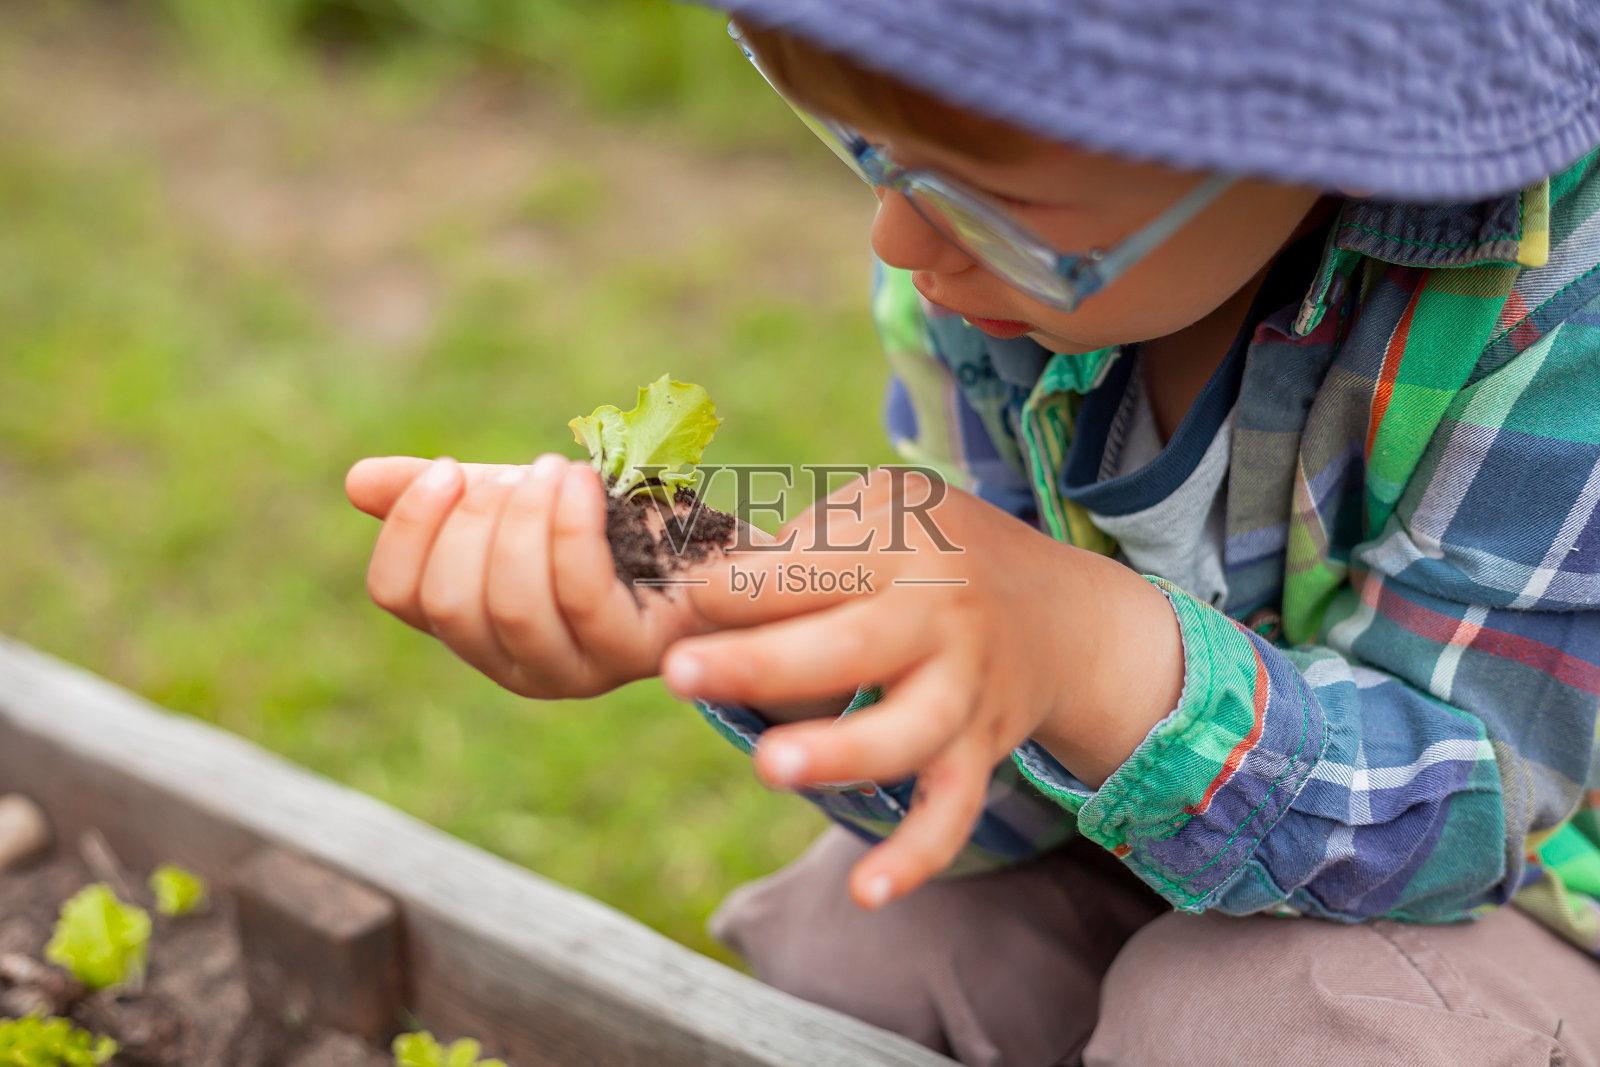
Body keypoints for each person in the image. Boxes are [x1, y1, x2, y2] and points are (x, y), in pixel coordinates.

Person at [344, 1, 1600, 1063]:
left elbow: (1478, 818)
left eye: (988, 200)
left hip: (1547, 908)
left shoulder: (1557, 309)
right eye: (864, 151)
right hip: (1201, 847)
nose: (898, 237)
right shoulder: (988, 282)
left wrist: (1084, 648)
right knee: (866, 940)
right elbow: (1002, 796)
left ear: (1329, 134)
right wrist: (732, 606)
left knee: (1255, 1020)